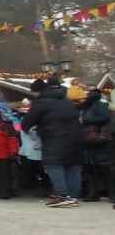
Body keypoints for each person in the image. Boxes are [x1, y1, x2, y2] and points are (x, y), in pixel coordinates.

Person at [22, 78, 83, 208]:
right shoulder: (67, 101)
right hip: (76, 138)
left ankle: (62, 196)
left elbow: (27, 122)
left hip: (54, 138)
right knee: (72, 166)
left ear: (37, 92)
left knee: (54, 165)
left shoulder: (41, 103)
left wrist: (27, 128)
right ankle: (73, 197)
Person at [79, 88, 112, 203]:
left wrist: (86, 120)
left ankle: (108, 194)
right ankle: (94, 194)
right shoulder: (88, 106)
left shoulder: (99, 106)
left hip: (99, 140)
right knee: (92, 169)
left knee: (104, 168)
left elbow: (106, 118)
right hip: (90, 140)